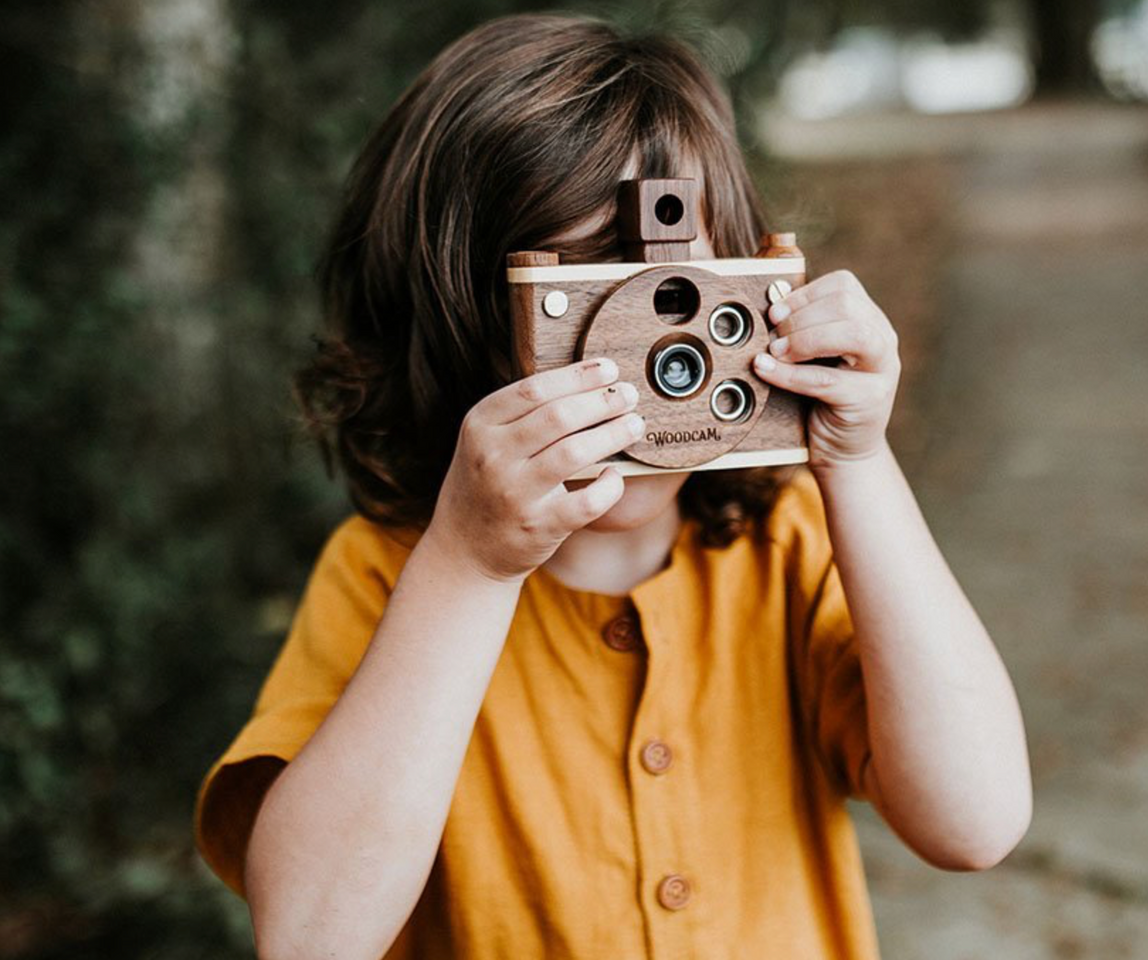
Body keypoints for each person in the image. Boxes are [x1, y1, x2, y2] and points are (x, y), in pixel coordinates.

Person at [194, 14, 1032, 960]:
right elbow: (309, 938)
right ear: (451, 327)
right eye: (584, 312)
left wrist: (856, 462)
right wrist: (468, 570)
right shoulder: (390, 578)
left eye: (672, 304)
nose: (647, 372)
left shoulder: (792, 544)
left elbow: (977, 820)